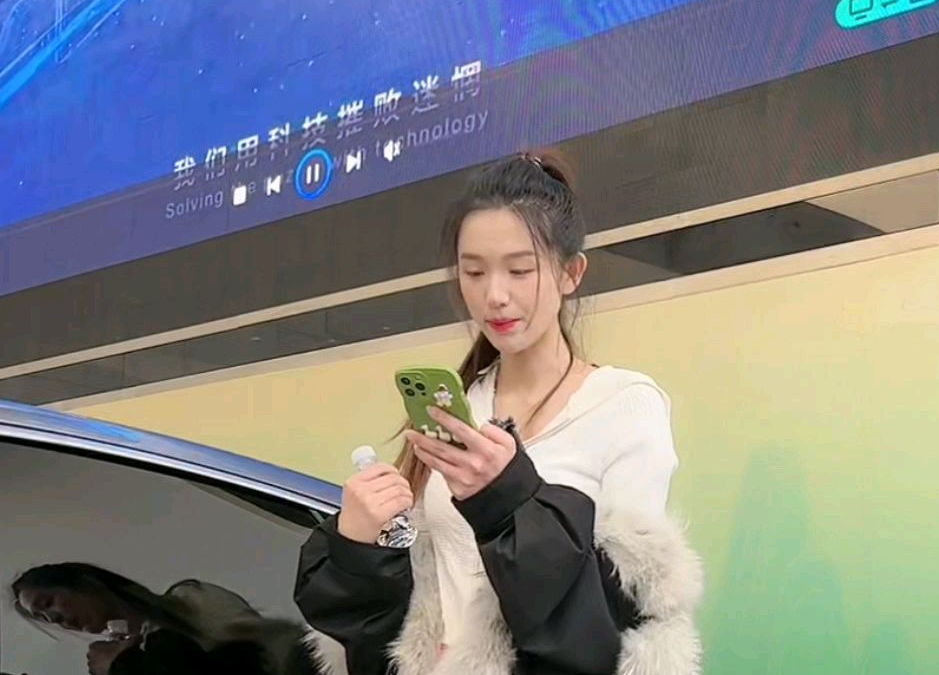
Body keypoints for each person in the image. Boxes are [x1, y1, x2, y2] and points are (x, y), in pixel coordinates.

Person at [295, 151, 703, 675]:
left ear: (571, 273)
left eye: (520, 270)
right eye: (474, 272)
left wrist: (506, 500)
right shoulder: (461, 404)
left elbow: (613, 613)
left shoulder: (625, 404)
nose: (495, 296)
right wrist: (360, 540)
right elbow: (397, 613)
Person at [11, 562, 320, 675]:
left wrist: (123, 665)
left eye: (48, 602)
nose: (55, 618)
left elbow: (262, 660)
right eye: (45, 618)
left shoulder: (191, 600)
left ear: (86, 583)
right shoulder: (124, 651)